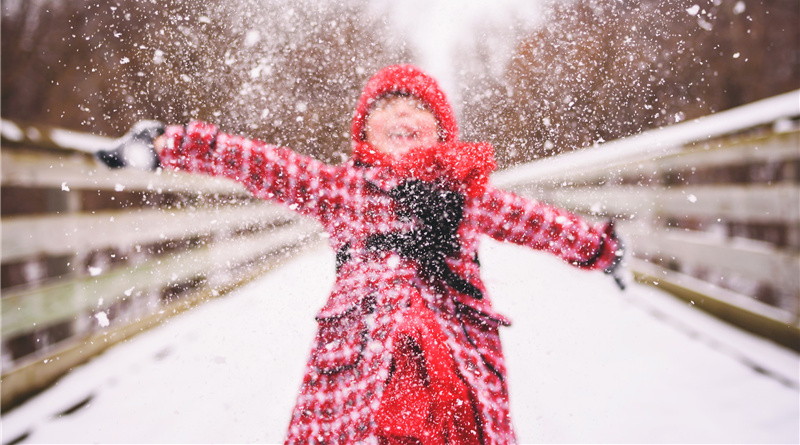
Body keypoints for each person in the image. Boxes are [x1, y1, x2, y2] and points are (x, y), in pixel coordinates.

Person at [97, 64, 624, 445]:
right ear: (363, 131)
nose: (402, 111)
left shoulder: (465, 194)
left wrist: (600, 249)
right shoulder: (341, 188)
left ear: (442, 131)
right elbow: (263, 165)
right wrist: (170, 145)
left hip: (453, 350)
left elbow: (534, 222)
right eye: (386, 105)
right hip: (363, 349)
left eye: (419, 107)